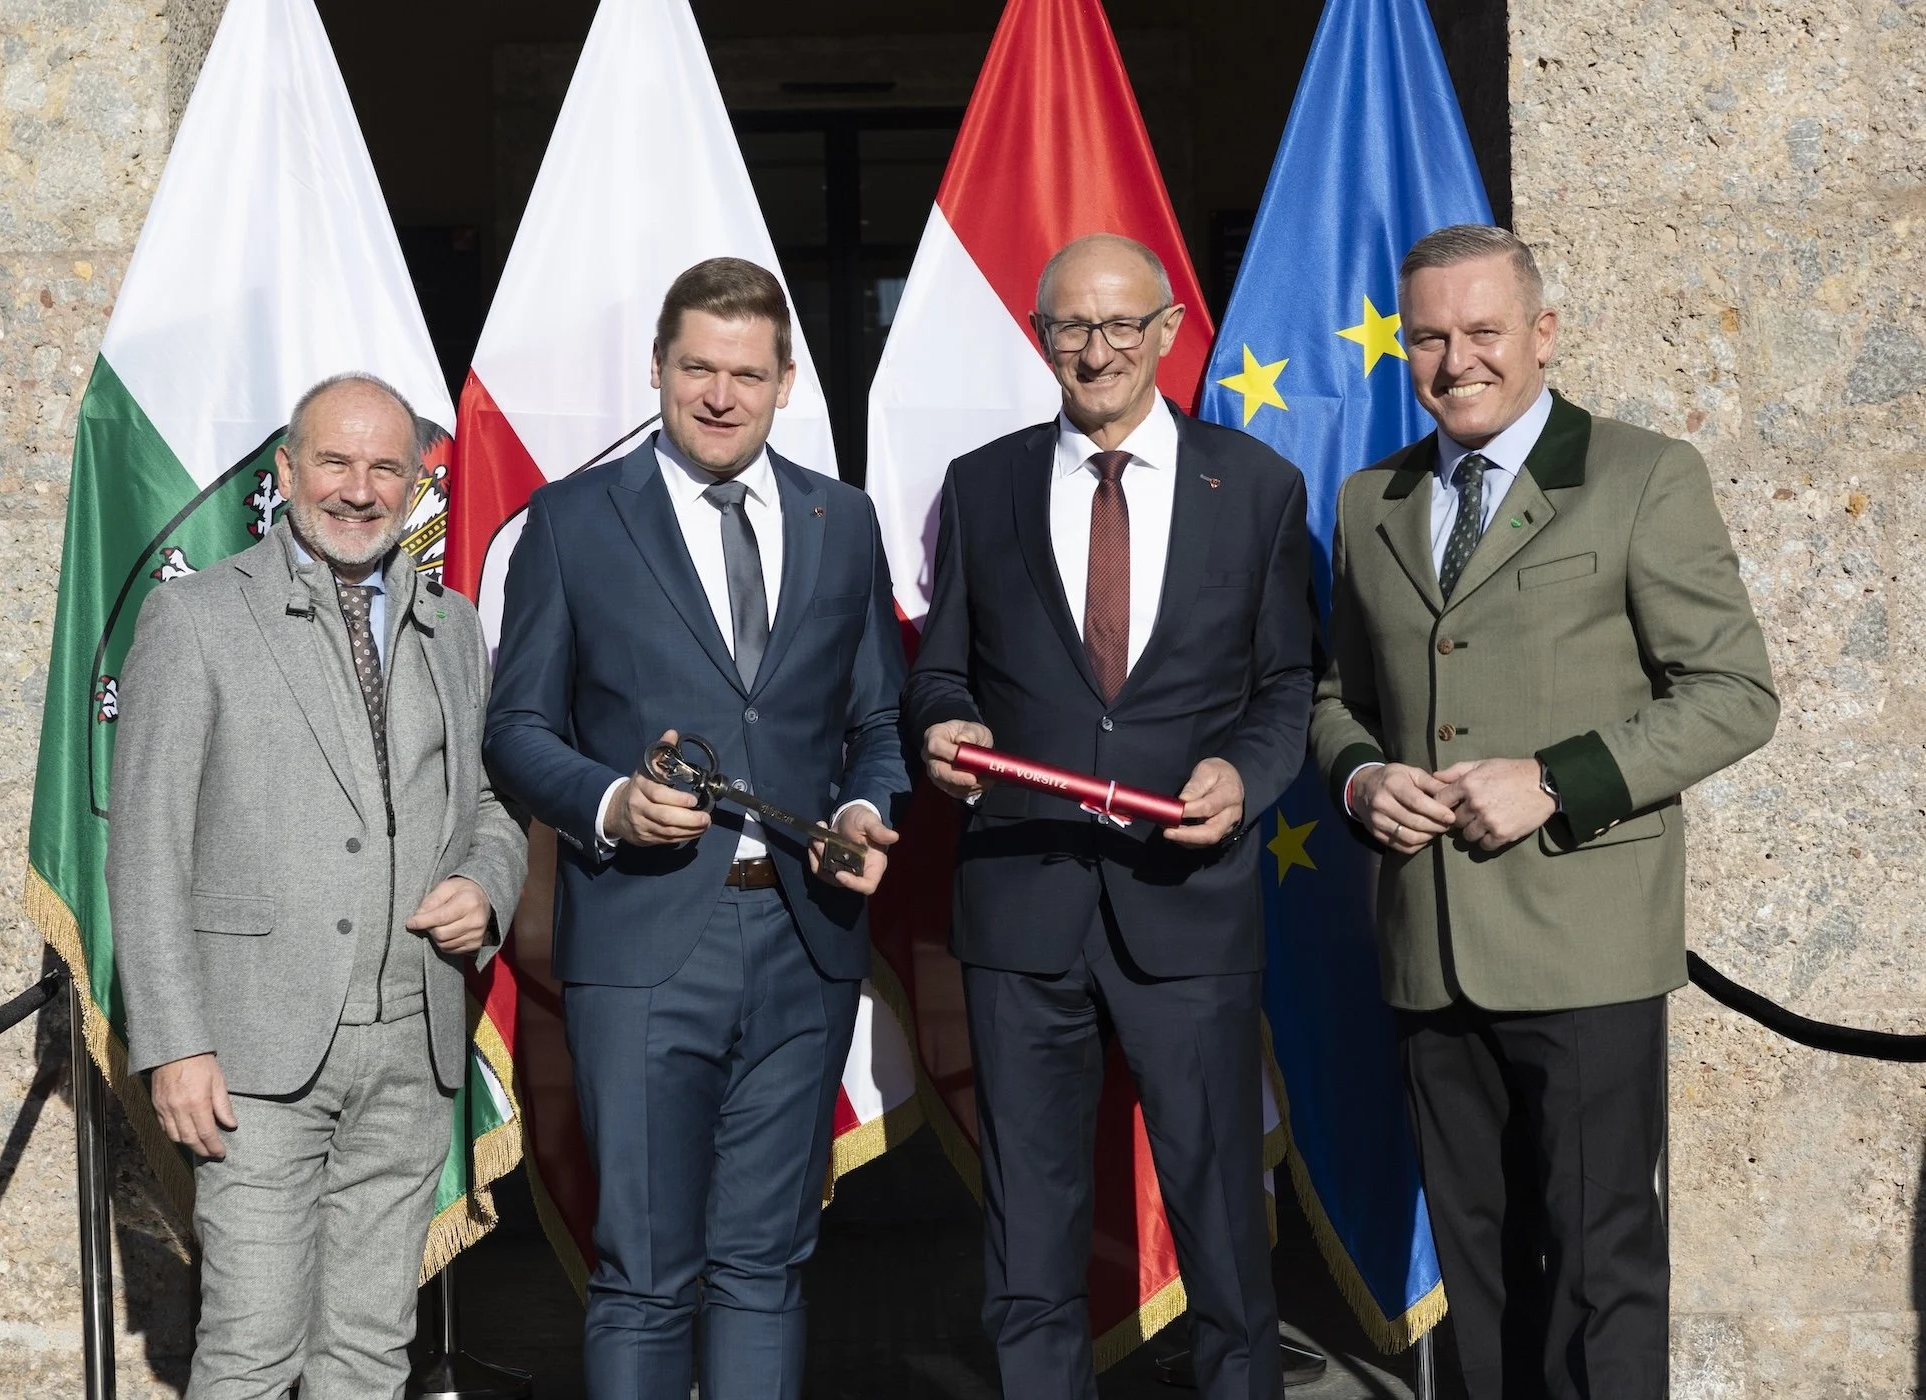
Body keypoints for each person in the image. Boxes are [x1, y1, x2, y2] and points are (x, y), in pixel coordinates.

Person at [1310, 223, 1778, 1399]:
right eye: (1427, 335)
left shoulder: (1639, 473)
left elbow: (1733, 695)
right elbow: (1337, 695)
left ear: (1542, 335)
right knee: (1479, 1269)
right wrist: (1364, 777)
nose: (1454, 358)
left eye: (1482, 331)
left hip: (1585, 945)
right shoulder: (1373, 500)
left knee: (1599, 1264)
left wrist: (1556, 776)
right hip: (1430, 948)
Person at [482, 256, 910, 1400]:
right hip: (641, 942)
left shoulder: (843, 519)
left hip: (803, 944)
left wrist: (868, 805)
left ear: (785, 383)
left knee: (765, 1265)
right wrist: (610, 802)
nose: (720, 395)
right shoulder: (572, 522)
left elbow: (876, 718)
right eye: (697, 369)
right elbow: (515, 726)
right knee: (645, 1271)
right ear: (660, 369)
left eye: (746, 374)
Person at [904, 232, 1316, 1400]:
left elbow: (1289, 684)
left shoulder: (1259, 488)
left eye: (1120, 325)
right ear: (1041, 340)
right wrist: (941, 725)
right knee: (1029, 1234)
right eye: (1071, 328)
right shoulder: (981, 484)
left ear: (1170, 330)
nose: (1098, 350)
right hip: (1021, 906)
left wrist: (1245, 771)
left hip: (1189, 906)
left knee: (1225, 1223)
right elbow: (942, 670)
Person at [107, 372, 530, 1398]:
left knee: (368, 1353)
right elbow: (147, 845)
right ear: (287, 470)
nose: (358, 488)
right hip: (252, 1055)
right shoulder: (196, 618)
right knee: (251, 1348)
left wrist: (485, 880)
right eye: (334, 462)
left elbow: (493, 804)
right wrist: (174, 1042)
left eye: (386, 466)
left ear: (415, 480)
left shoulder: (455, 625)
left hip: (411, 1047)